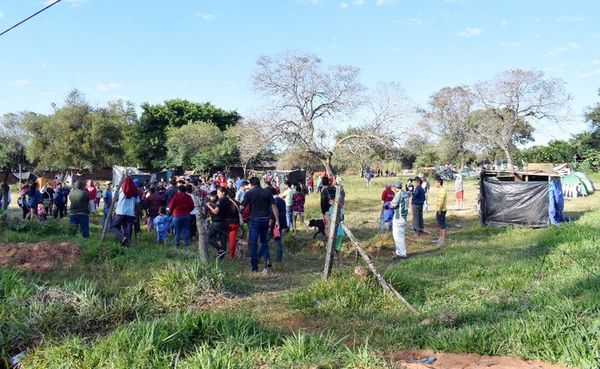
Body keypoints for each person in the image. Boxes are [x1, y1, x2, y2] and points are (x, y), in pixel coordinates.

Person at [241, 177, 280, 272]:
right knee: (264, 241)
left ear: (251, 184)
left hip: (254, 220)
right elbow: (274, 206)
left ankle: (254, 267)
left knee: (253, 243)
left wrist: (240, 213)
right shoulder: (267, 192)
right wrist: (277, 220)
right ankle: (267, 260)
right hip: (265, 219)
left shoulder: (249, 193)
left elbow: (242, 207)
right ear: (259, 183)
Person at [112, 177, 141, 246]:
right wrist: (137, 213)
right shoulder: (135, 191)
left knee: (114, 226)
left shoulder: (120, 189)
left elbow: (114, 199)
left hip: (120, 212)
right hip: (130, 213)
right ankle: (126, 245)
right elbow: (137, 204)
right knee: (128, 230)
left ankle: (122, 238)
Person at [168, 184, 194, 249]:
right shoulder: (188, 196)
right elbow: (192, 206)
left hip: (177, 215)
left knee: (177, 231)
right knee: (185, 230)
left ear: (179, 190)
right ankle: (185, 246)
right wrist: (188, 211)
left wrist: (171, 213)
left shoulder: (175, 196)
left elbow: (171, 206)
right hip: (186, 215)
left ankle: (176, 246)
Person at [389, 182, 409, 260]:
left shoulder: (398, 194)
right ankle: (400, 252)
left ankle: (401, 254)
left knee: (398, 237)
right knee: (401, 235)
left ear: (396, 187)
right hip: (404, 216)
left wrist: (389, 206)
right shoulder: (405, 194)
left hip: (398, 217)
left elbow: (393, 205)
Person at [269, 187, 288, 263]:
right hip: (281, 224)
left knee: (265, 240)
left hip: (274, 224)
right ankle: (278, 258)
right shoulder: (282, 201)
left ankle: (258, 256)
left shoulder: (274, 202)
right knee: (278, 241)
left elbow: (273, 215)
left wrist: (270, 226)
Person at [327, 191, 344, 267]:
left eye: (332, 200)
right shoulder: (338, 208)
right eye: (329, 201)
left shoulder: (334, 209)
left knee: (331, 249)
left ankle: (331, 265)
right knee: (337, 249)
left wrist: (328, 217)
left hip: (336, 232)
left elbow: (333, 219)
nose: (330, 202)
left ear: (335, 200)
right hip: (339, 232)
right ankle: (340, 264)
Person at [226, 188, 241, 259]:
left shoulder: (225, 202)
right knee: (232, 240)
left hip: (226, 223)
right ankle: (231, 255)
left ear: (227, 195)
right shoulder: (238, 203)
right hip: (235, 223)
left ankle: (222, 253)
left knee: (223, 239)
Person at [433, 177, 447, 245]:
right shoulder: (440, 190)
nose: (435, 184)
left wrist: (440, 210)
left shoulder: (442, 190)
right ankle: (440, 238)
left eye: (435, 182)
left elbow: (442, 201)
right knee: (439, 224)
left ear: (439, 183)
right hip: (439, 210)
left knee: (442, 225)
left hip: (441, 210)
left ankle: (442, 239)